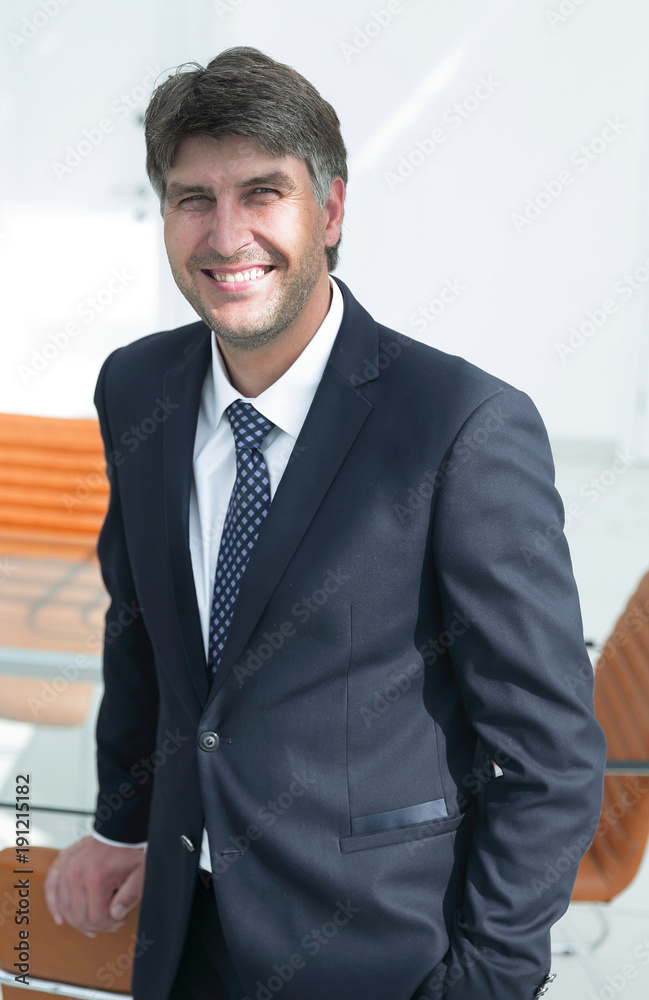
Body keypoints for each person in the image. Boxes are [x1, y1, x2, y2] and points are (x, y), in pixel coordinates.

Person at [44, 46, 606, 1000]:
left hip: (376, 951)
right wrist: (120, 825)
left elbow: (550, 756)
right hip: (185, 930)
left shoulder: (459, 424)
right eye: (193, 199)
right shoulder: (136, 386)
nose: (226, 237)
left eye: (262, 193)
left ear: (330, 210)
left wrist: (488, 979)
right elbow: (139, 629)